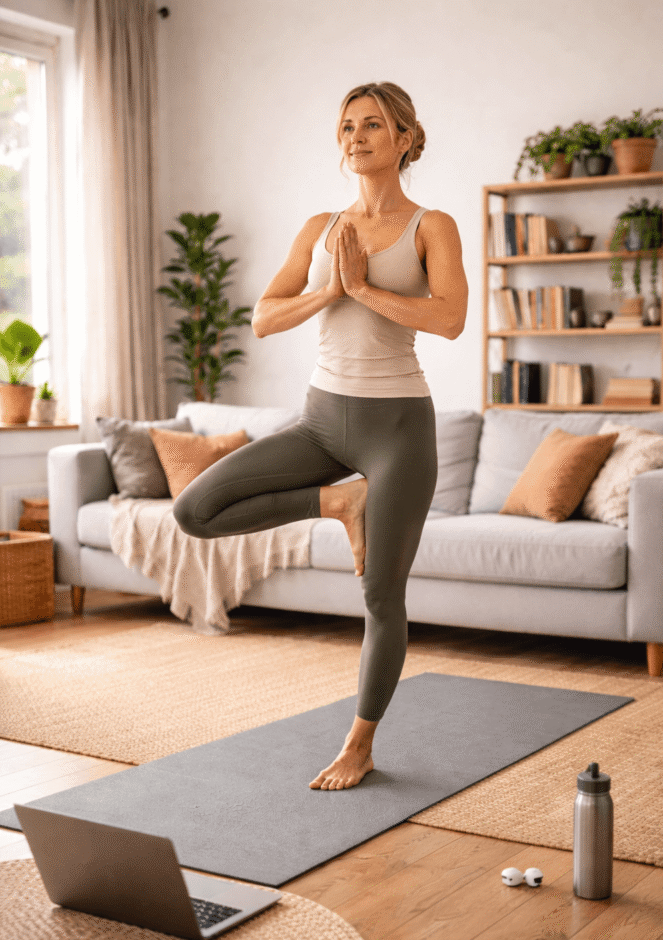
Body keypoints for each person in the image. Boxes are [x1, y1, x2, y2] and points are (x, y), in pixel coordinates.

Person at [173, 81, 468, 791]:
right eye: (346, 127)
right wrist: (330, 290)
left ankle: (359, 744)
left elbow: (451, 318)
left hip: (396, 427)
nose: (356, 137)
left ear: (404, 139)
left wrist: (366, 290)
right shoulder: (318, 227)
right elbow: (265, 318)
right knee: (192, 510)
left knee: (381, 597)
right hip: (319, 419)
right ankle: (337, 503)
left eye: (372, 125)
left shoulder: (432, 225)